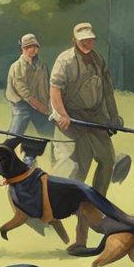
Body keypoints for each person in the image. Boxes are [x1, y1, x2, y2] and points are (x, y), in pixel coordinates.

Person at [49, 22, 123, 195]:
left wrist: (114, 118)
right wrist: (62, 114)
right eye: (82, 40)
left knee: (108, 159)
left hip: (95, 117)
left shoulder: (99, 60)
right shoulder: (65, 60)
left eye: (90, 39)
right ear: (74, 40)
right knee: (75, 166)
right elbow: (54, 89)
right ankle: (65, 202)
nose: (86, 43)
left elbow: (108, 92)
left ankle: (97, 202)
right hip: (72, 118)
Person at [5, 33, 54, 163]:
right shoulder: (17, 66)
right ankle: (5, 158)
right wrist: (40, 107)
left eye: (34, 46)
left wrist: (48, 106)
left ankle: (52, 160)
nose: (32, 49)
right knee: (14, 135)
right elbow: (23, 91)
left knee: (52, 133)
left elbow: (47, 87)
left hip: (41, 106)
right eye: (28, 47)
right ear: (23, 49)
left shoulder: (42, 66)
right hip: (22, 106)